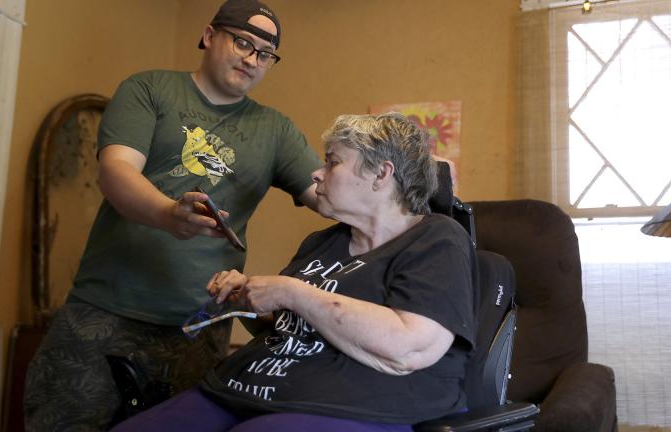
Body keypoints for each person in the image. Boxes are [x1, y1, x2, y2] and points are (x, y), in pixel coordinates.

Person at [24, 0, 322, 430]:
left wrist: (405, 181)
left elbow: (327, 195)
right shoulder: (149, 89)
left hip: (198, 325)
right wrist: (168, 214)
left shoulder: (276, 131)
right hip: (105, 309)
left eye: (264, 54)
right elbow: (116, 171)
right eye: (242, 42)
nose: (251, 59)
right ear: (208, 35)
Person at [112, 112, 478, 432]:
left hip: (347, 403)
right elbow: (290, 328)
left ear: (381, 174)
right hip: (246, 388)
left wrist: (291, 291)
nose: (316, 174)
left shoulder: (435, 237)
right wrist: (252, 301)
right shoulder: (322, 242)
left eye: (332, 162)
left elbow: (410, 345)